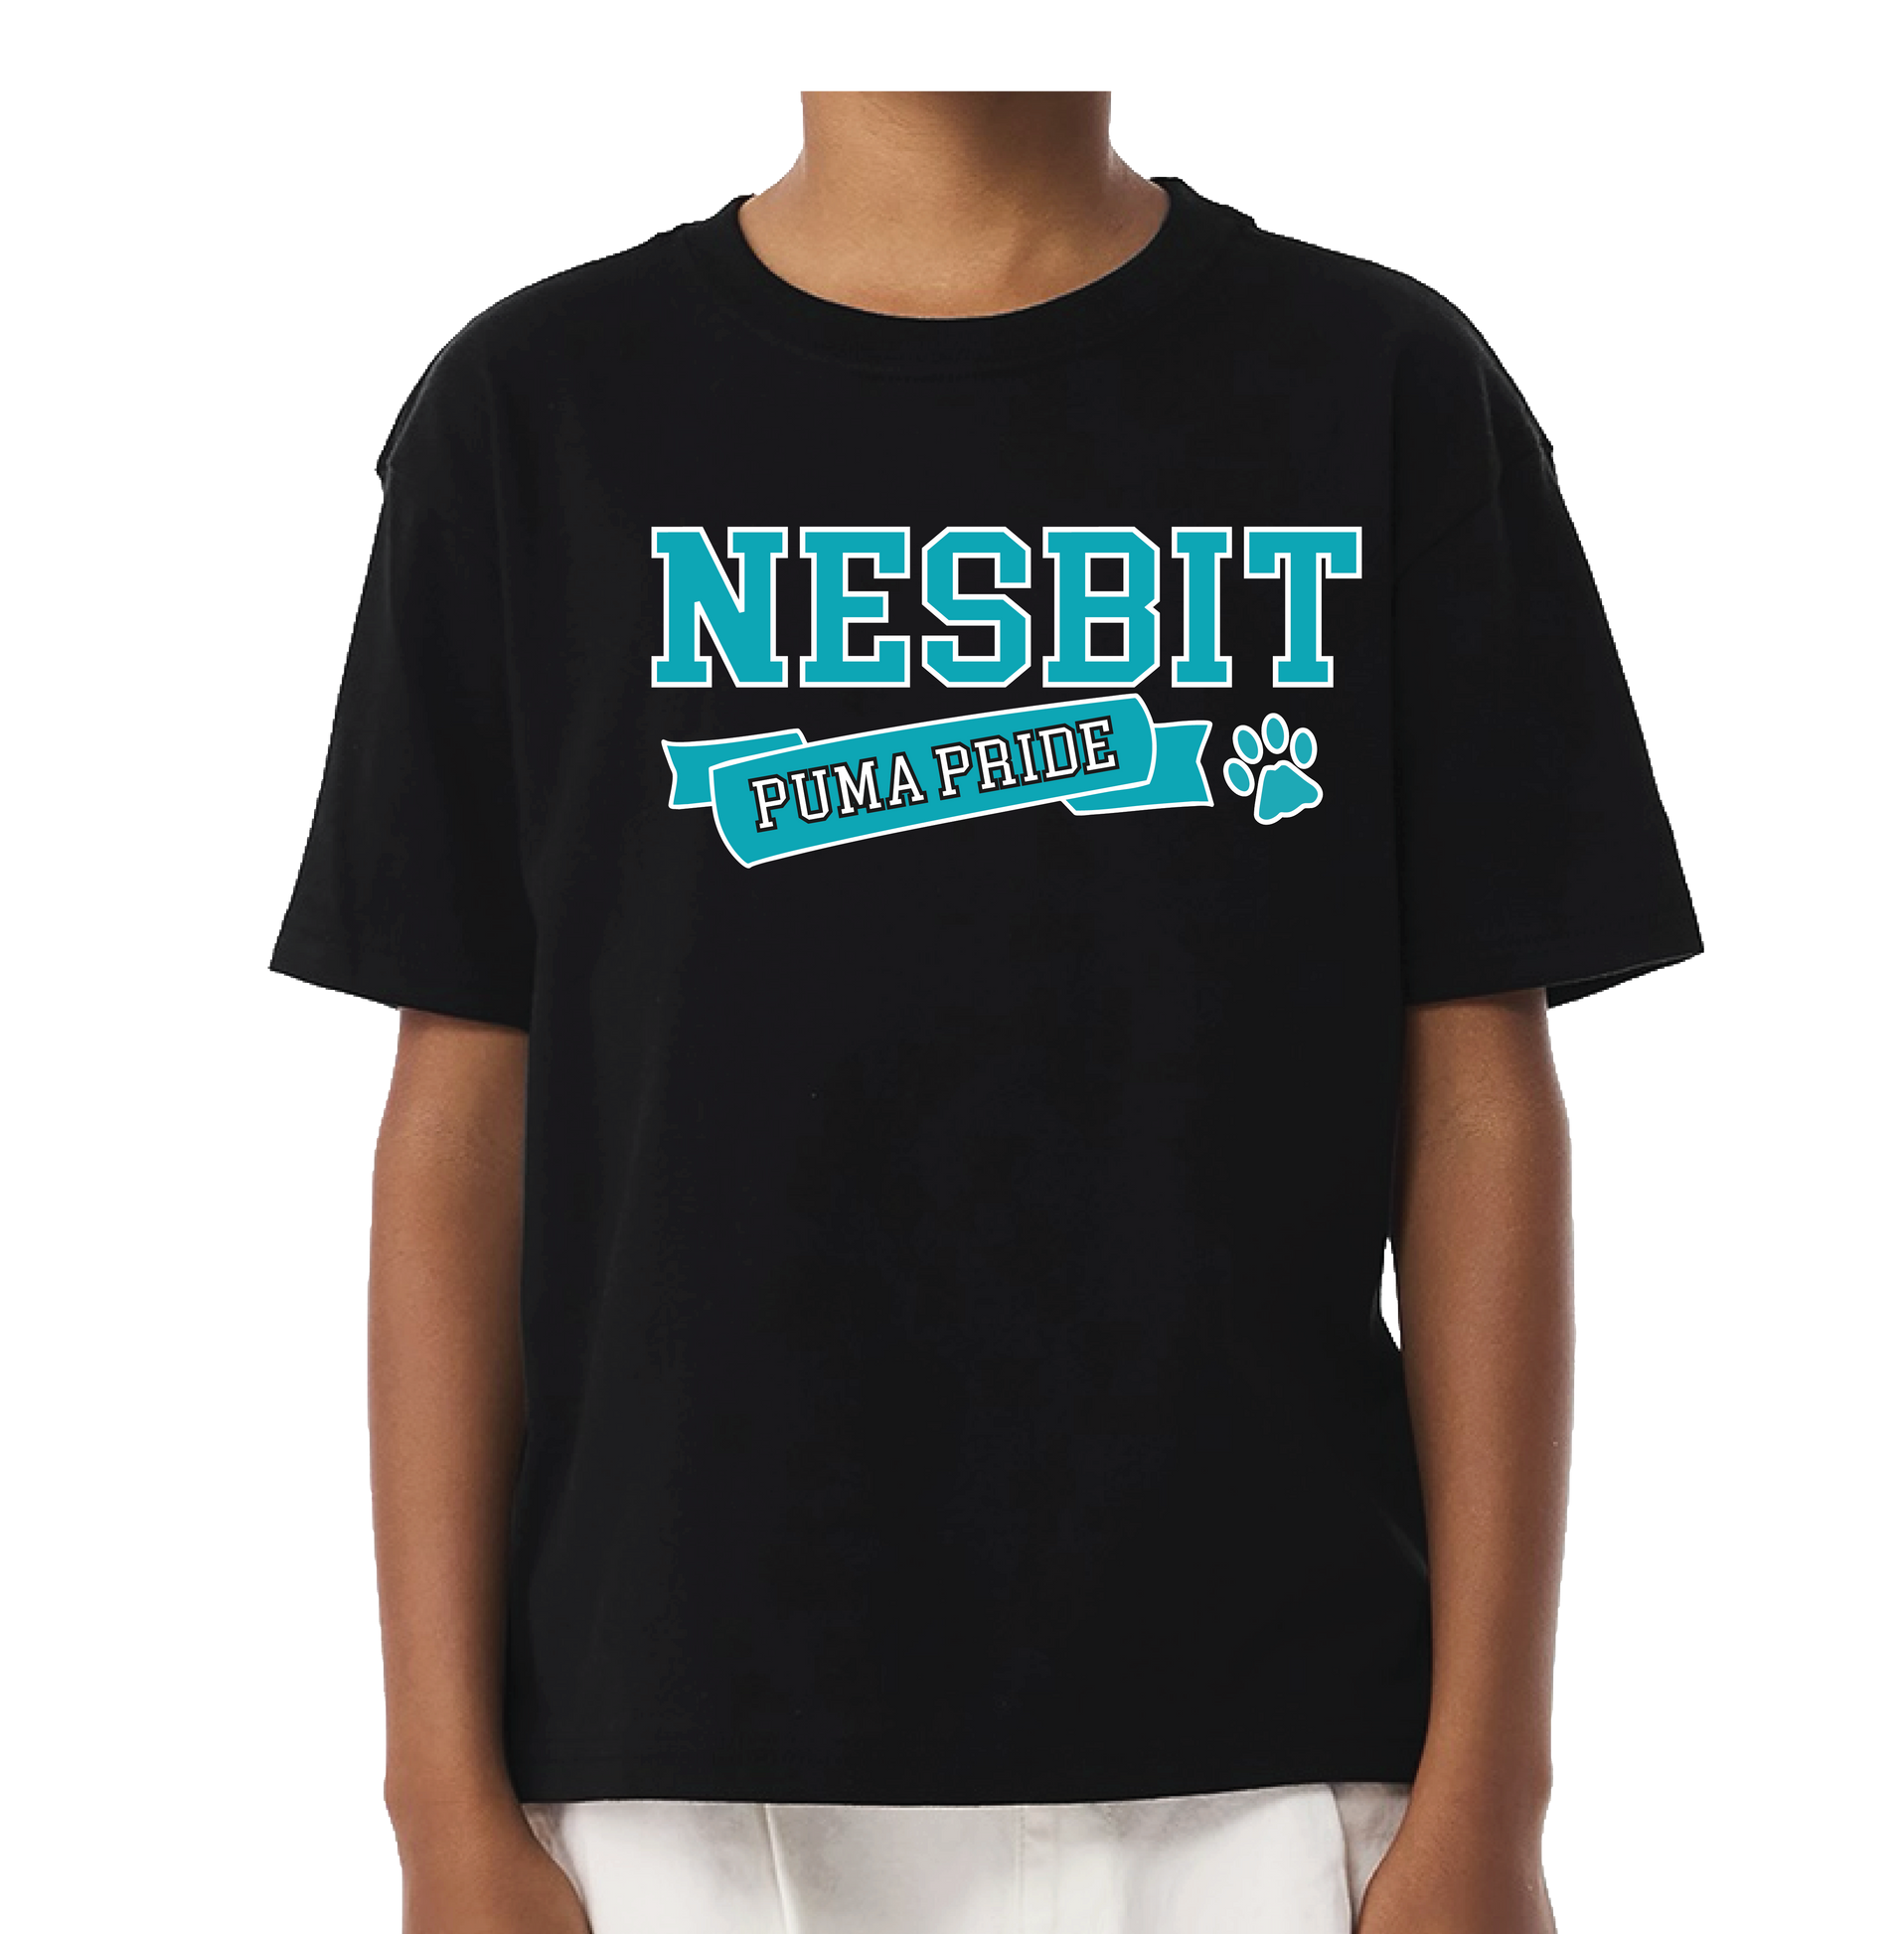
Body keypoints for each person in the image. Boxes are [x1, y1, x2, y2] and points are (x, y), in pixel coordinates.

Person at [266, 89, 1703, 1934]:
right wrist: (436, 1799)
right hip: (663, 1766)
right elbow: (459, 1125)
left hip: (1273, 1753)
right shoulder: (531, 406)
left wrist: (1493, 1789)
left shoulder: (1383, 382)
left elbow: (1479, 1108)